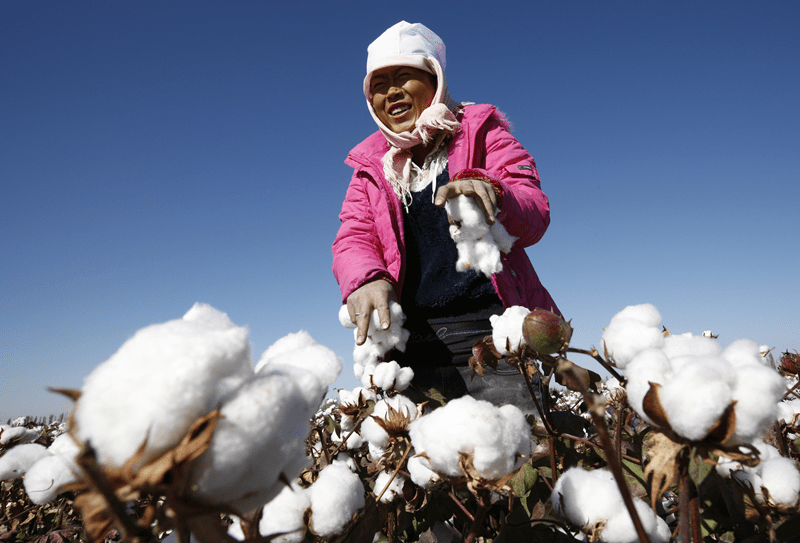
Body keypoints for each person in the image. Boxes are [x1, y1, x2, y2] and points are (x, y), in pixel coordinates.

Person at [332, 21, 559, 413]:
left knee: (516, 465)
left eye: (405, 76)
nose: (392, 91)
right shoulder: (371, 167)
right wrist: (367, 279)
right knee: (425, 471)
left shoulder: (481, 133)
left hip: (493, 342)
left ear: (434, 80)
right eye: (380, 84)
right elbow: (354, 236)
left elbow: (534, 210)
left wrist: (494, 194)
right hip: (410, 352)